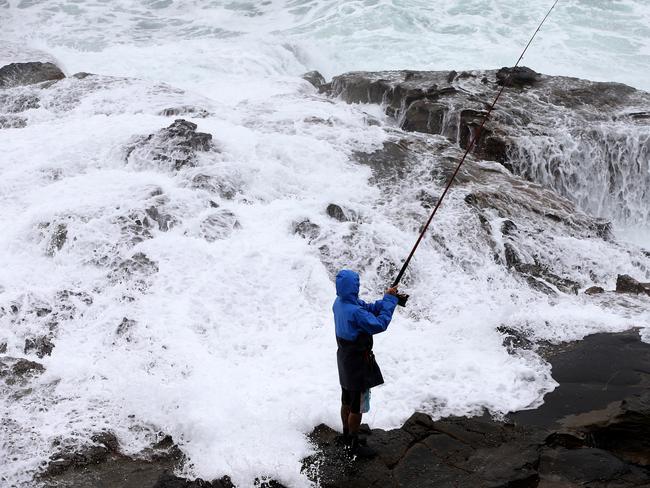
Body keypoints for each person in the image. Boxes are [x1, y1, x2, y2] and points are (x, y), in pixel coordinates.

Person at [333, 269, 399, 458]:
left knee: (346, 399)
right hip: (359, 365)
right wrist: (390, 303)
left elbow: (365, 308)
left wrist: (387, 298)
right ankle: (353, 445)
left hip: (344, 360)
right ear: (354, 287)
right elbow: (379, 324)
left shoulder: (339, 303)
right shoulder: (355, 312)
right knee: (357, 407)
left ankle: (346, 435)